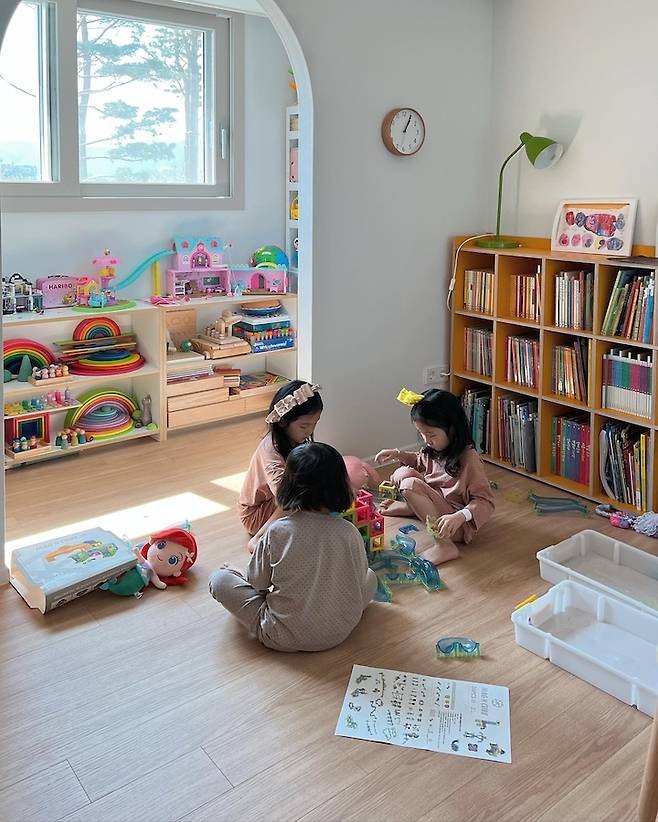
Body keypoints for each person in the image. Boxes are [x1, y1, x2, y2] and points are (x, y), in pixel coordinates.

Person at [210, 442, 378, 652]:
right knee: (371, 576)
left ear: (288, 486)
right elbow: (359, 578)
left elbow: (257, 582)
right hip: (340, 630)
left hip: (281, 635)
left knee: (219, 579)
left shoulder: (277, 531)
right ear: (341, 486)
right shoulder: (349, 532)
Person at [375, 388, 494, 565]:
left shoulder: (469, 459)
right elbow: (419, 461)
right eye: (421, 433)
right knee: (402, 473)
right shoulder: (435, 448)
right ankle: (415, 507)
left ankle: (444, 545)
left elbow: (486, 502)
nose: (426, 440)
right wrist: (398, 454)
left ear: (452, 429)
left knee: (409, 484)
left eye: (431, 435)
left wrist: (460, 516)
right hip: (438, 502)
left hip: (453, 524)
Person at [238, 381, 323, 548]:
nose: (310, 431)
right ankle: (258, 539)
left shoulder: (294, 439)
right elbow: (285, 496)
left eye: (315, 423)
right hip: (256, 514)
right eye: (304, 426)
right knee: (299, 500)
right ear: (283, 422)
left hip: (276, 501)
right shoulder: (271, 450)